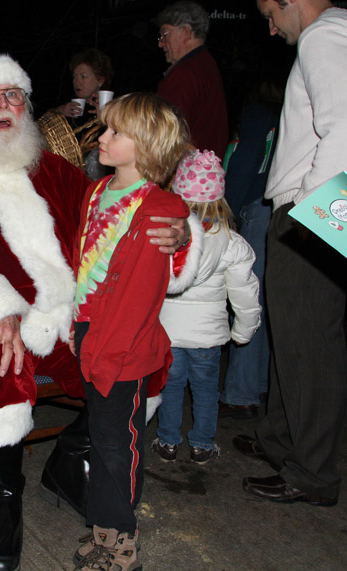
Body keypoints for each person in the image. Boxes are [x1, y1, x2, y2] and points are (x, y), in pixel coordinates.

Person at [0, 52, 192, 571]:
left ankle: (68, 461)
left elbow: (119, 221)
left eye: (13, 94)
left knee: (142, 366)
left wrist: (179, 233)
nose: (5, 105)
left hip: (63, 315)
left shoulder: (55, 172)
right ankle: (3, 500)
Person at [69, 92, 196, 571]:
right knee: (104, 440)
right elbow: (86, 264)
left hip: (122, 348)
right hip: (91, 334)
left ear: (146, 145)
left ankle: (122, 541)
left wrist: (108, 351)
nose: (102, 138)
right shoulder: (97, 192)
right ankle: (104, 529)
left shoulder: (161, 209)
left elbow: (144, 294)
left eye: (115, 132)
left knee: (117, 446)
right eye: (105, 128)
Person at [237, 0, 347, 508]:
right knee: (295, 335)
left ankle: (315, 471)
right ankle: (281, 439)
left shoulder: (324, 35)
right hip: (322, 207)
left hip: (315, 209)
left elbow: (343, 126)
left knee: (310, 342)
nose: (270, 26)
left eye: (269, 12)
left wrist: (310, 212)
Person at [153, 150, 261, 466]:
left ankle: (168, 441)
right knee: (205, 393)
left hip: (168, 333)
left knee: (170, 389)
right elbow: (245, 294)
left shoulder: (165, 237)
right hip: (208, 338)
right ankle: (201, 444)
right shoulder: (232, 242)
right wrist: (243, 331)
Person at [219, 78, 282, 419]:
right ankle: (259, 386)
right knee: (270, 302)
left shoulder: (258, 115)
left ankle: (241, 392)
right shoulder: (289, 115)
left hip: (258, 208)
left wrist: (226, 210)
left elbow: (243, 164)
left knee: (248, 297)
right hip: (287, 210)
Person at [155, 1, 229, 159]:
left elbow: (162, 134)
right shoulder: (205, 64)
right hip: (203, 171)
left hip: (187, 174)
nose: (161, 43)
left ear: (186, 32)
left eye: (165, 34)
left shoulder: (186, 74)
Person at [41, 48, 114, 179]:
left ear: (100, 80)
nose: (77, 82)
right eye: (75, 77)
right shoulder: (69, 107)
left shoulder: (114, 107)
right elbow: (42, 131)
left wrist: (105, 117)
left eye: (83, 76)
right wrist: (60, 112)